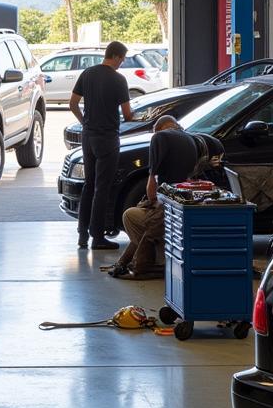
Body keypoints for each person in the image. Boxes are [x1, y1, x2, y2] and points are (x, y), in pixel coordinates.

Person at [109, 120, 224, 279]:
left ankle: (153, 263)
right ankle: (140, 261)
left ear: (160, 129)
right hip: (181, 210)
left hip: (169, 212)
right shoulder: (191, 141)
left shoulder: (161, 138)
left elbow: (151, 190)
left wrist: (152, 196)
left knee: (130, 215)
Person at [69, 41, 133, 250]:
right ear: (115, 56)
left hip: (88, 136)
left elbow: (73, 104)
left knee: (89, 184)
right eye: (122, 59)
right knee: (102, 188)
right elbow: (128, 114)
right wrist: (142, 116)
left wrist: (84, 121)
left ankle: (81, 235)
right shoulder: (118, 80)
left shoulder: (87, 73)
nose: (122, 63)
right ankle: (98, 237)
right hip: (107, 138)